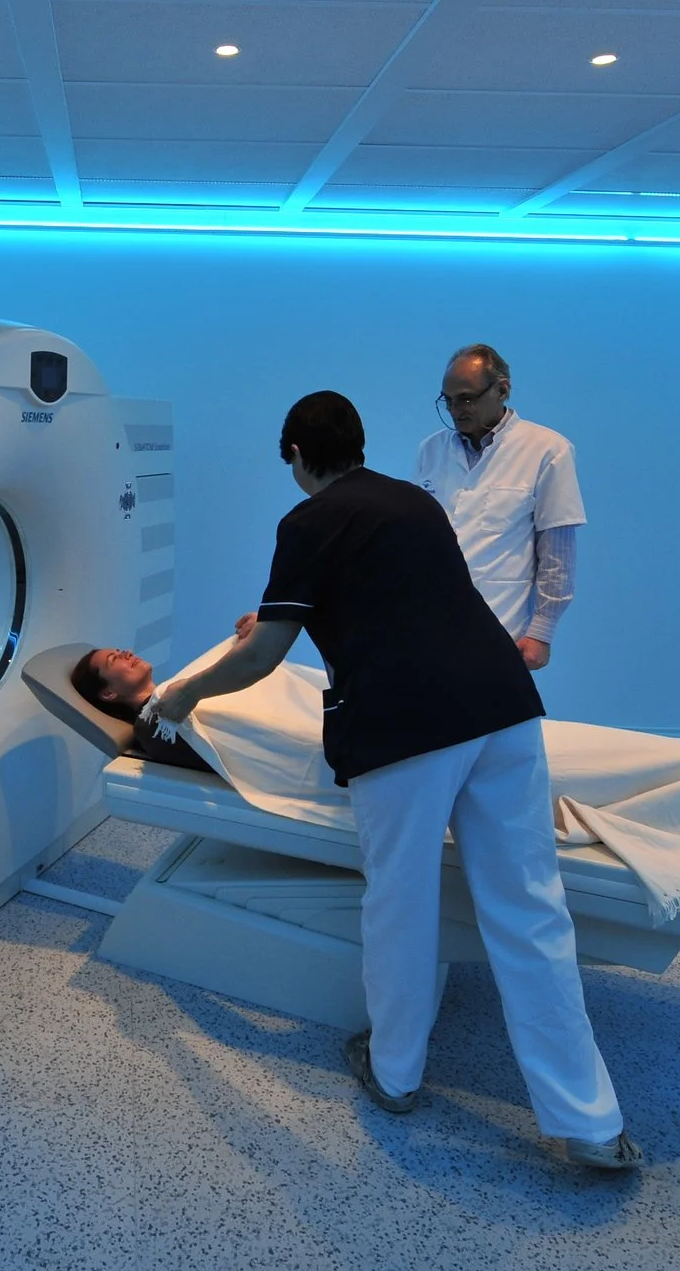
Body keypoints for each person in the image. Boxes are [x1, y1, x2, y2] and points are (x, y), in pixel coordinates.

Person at [151, 391, 641, 1172]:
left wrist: (182, 694)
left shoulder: (304, 521)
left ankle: (396, 1073)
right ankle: (590, 1123)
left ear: (295, 457)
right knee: (531, 910)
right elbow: (388, 596)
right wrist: (282, 614)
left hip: (405, 726)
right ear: (359, 445)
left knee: (400, 905)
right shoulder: (413, 499)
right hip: (501, 706)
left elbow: (264, 658)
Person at [416, 344, 583, 671]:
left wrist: (542, 632)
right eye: (447, 401)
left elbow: (557, 552)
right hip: (429, 625)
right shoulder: (431, 450)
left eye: (466, 398)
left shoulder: (548, 450)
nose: (455, 410)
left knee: (495, 719)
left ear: (502, 390)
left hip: (503, 627)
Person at [70, 647, 214, 773]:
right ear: (108, 693)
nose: (128, 653)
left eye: (119, 651)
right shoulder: (150, 727)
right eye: (114, 659)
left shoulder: (173, 693)